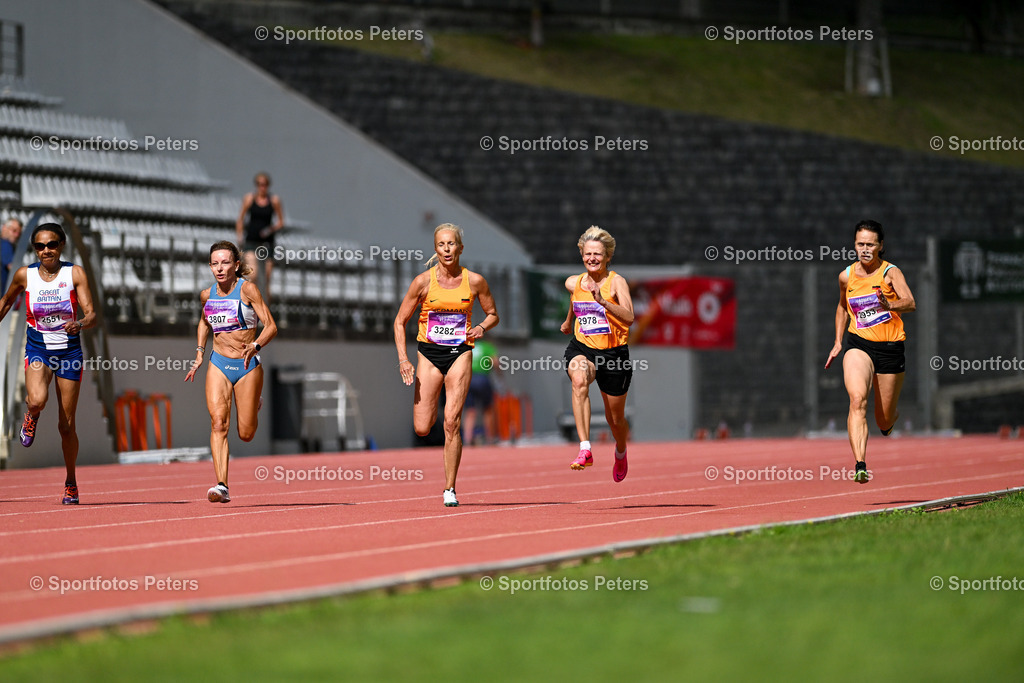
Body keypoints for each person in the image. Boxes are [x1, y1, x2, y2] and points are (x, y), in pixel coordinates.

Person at [393, 223, 499, 507]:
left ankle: (449, 488)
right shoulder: (422, 282)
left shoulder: (474, 281)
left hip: (460, 353)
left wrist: (480, 327)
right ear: (435, 249)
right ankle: (433, 425)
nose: (447, 249)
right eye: (441, 244)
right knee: (423, 428)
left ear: (460, 248)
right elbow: (400, 321)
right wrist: (403, 359)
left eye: (451, 243)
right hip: (429, 355)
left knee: (452, 421)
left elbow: (492, 314)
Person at [0, 223, 96, 504]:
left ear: (61, 245)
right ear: (34, 249)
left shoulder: (74, 273)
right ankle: (32, 415)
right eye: (40, 246)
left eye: (51, 244)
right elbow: (6, 301)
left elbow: (92, 314)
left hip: (69, 353)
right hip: (38, 349)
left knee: (66, 426)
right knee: (37, 400)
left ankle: (71, 482)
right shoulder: (25, 275)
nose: (46, 251)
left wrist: (80, 323)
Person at [185, 241, 277, 503]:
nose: (219, 268)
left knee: (246, 434)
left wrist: (256, 344)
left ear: (236, 265)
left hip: (247, 366)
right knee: (218, 423)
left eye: (225, 262)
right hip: (219, 363)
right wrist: (200, 352)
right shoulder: (207, 295)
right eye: (215, 263)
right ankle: (222, 485)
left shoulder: (247, 289)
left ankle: (253, 401)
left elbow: (271, 326)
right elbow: (203, 322)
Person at [825, 220, 916, 483]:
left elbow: (911, 302)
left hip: (890, 349)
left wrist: (890, 305)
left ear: (880, 246)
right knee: (857, 400)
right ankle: (860, 464)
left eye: (870, 244)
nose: (865, 249)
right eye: (860, 244)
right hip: (859, 345)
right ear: (854, 245)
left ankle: (891, 418)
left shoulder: (890, 273)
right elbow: (842, 306)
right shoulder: (846, 276)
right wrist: (838, 341)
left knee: (883, 420)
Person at [560, 226, 635, 482]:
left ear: (608, 256)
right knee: (579, 380)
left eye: (598, 254)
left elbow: (629, 317)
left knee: (615, 420)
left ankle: (621, 450)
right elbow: (575, 298)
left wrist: (603, 302)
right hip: (583, 348)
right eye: (588, 253)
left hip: (614, 355)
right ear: (582, 254)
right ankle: (585, 448)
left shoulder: (616, 282)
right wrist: (568, 321)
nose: (592, 258)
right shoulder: (574, 282)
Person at [235, 172, 284, 297]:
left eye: (265, 184)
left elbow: (280, 222)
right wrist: (239, 237)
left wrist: (270, 229)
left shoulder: (274, 200)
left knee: (266, 279)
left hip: (267, 243)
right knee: (253, 274)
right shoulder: (249, 198)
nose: (262, 187)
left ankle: (265, 306)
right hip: (251, 241)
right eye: (260, 184)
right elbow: (240, 219)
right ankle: (251, 304)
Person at [464, 338, 498, 445]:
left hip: (468, 379)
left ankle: (467, 439)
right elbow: (495, 362)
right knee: (487, 409)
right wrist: (500, 375)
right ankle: (490, 438)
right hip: (482, 378)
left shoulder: (468, 345)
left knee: (470, 411)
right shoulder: (487, 347)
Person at [1, 217, 24, 292]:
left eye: (19, 233)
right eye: (14, 231)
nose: (17, 235)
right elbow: (13, 268)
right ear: (4, 228)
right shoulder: (5, 244)